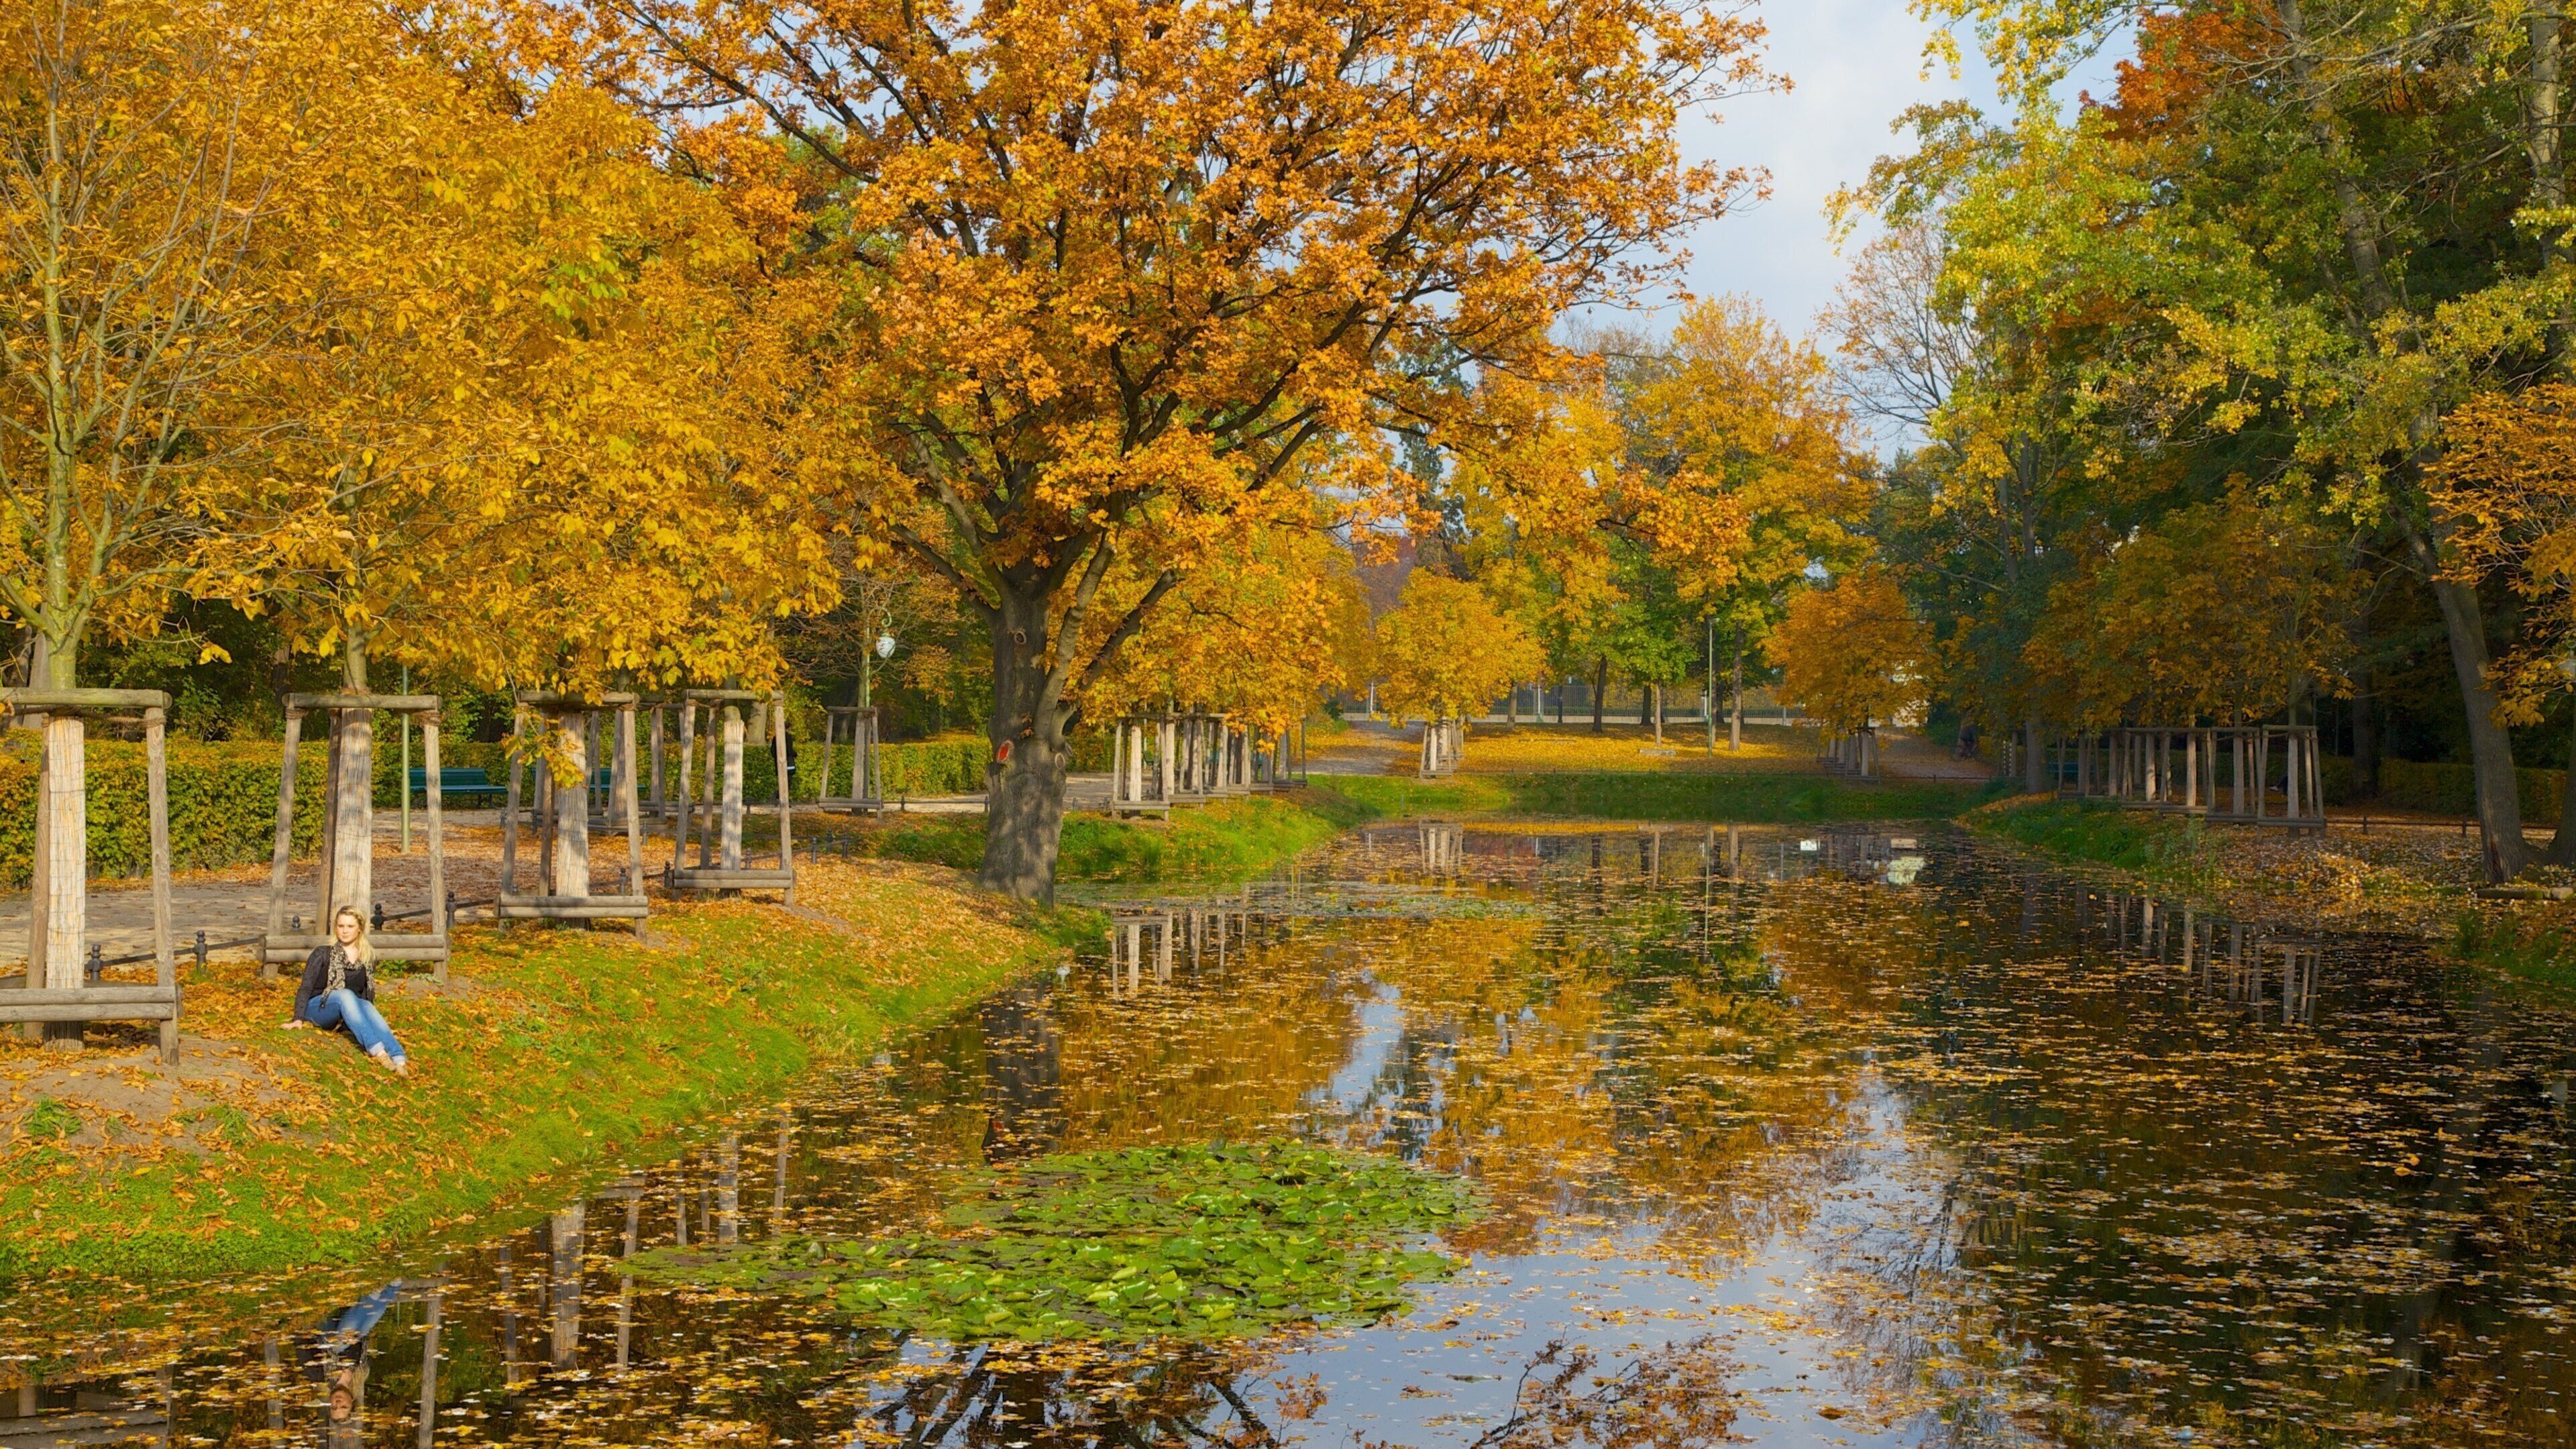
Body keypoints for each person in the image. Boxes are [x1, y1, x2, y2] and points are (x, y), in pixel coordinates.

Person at [288, 906, 409, 1076]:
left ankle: (399, 1058)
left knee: (366, 1004)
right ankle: (378, 1051)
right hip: (317, 1007)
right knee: (345, 994)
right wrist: (298, 1019)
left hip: (344, 1012)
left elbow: (365, 996)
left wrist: (354, 1023)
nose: (344, 931)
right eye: (340, 926)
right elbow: (306, 987)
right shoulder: (322, 953)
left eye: (350, 927)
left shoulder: (367, 957)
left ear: (360, 929)